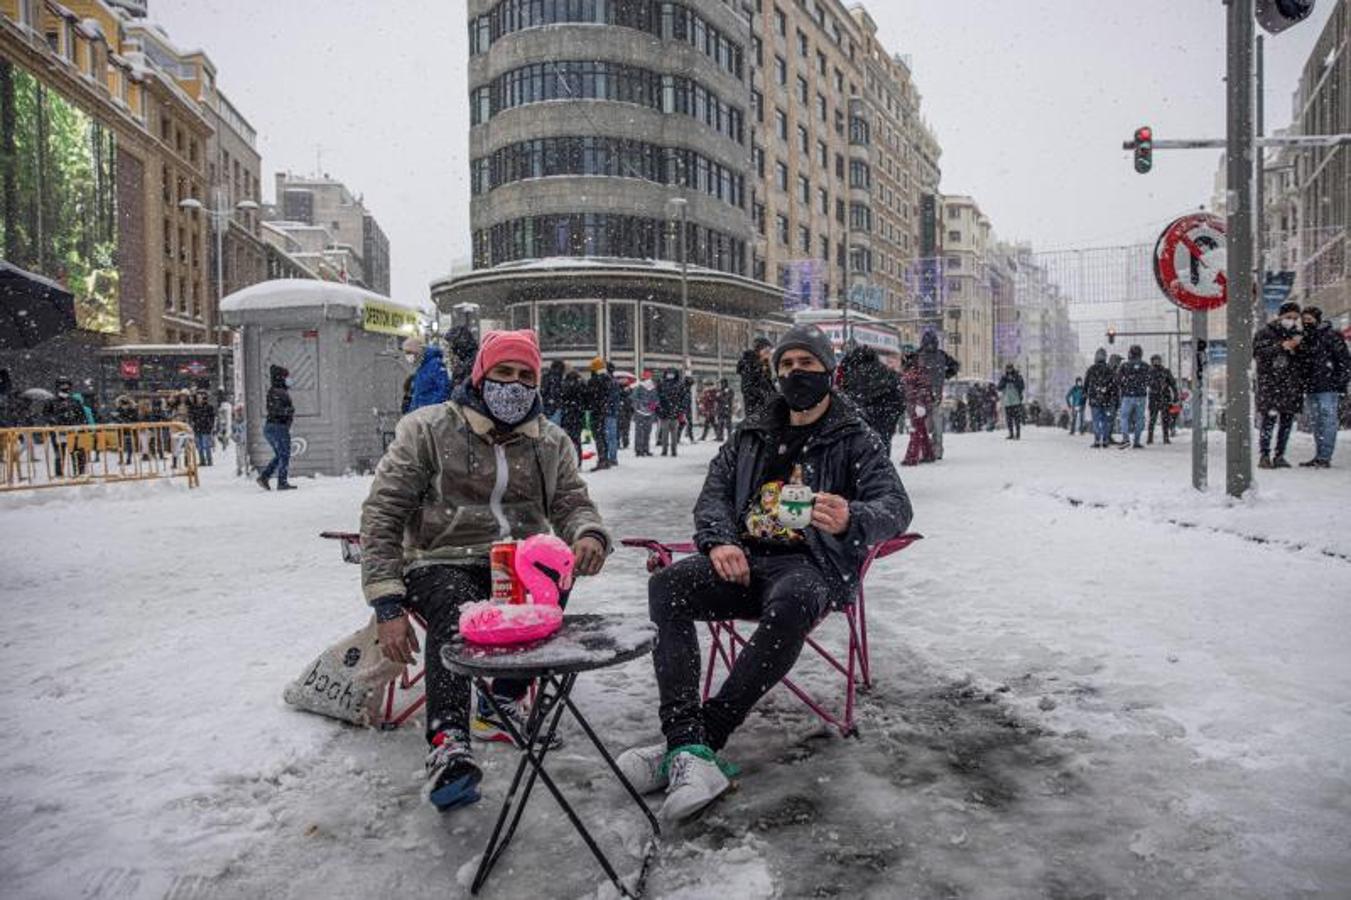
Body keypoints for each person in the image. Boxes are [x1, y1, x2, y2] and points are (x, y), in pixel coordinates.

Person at [616, 324, 912, 822]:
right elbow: (713, 493)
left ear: (829, 373)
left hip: (809, 565)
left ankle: (701, 740)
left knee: (794, 600)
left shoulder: (853, 436)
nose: (796, 374)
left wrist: (852, 517)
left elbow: (896, 506)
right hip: (745, 560)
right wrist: (720, 540)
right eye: (787, 366)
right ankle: (685, 742)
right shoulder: (752, 431)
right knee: (668, 585)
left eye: (807, 365)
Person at [360, 328, 611, 812]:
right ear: (480, 375)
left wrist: (588, 534)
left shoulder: (550, 441)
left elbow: (572, 502)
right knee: (461, 618)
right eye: (503, 373)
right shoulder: (428, 429)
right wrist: (387, 599)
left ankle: (502, 703)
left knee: (551, 570)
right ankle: (448, 742)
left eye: (525, 376)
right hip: (439, 560)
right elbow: (383, 512)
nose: (514, 386)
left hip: (516, 560)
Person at [1253, 302, 1306, 469]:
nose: (1291, 321)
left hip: (1291, 384)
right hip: (1271, 383)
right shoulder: (1265, 333)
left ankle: (1280, 455)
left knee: (1287, 422)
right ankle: (1264, 455)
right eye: (1288, 317)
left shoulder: (1298, 334)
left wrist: (1299, 347)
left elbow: (1304, 360)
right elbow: (1258, 353)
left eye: (1295, 318)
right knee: (1268, 420)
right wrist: (1281, 346)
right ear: (1280, 316)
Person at [1297, 306, 1350, 468]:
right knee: (1317, 422)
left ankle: (1325, 456)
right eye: (1304, 320)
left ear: (1317, 319)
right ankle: (1320, 455)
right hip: (1312, 386)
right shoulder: (1304, 338)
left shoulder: (1331, 336)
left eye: (1309, 319)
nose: (1307, 323)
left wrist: (1339, 383)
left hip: (1328, 387)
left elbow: (1344, 361)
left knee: (1327, 421)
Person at [838, 343, 905, 457]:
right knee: (882, 452)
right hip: (883, 421)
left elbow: (844, 398)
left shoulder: (850, 374)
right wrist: (890, 419)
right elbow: (899, 397)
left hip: (858, 424)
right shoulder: (885, 372)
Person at [915, 331, 958, 458]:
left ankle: (926, 450)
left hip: (923, 396)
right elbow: (955, 366)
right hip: (930, 395)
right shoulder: (940, 355)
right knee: (934, 424)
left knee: (925, 425)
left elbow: (907, 370)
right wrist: (946, 375)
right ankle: (933, 449)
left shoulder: (918, 355)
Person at [257, 364, 296, 490]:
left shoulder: (276, 391)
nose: (289, 379)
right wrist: (289, 410)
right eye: (287, 377)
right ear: (281, 378)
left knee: (280, 454)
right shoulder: (278, 392)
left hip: (273, 427)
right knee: (284, 454)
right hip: (278, 427)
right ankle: (281, 482)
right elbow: (276, 410)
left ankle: (265, 477)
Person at [43, 377, 88, 477]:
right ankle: (59, 474)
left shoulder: (75, 401)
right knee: (59, 454)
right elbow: (46, 415)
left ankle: (80, 473)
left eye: (67, 385)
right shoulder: (51, 401)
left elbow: (82, 416)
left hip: (74, 432)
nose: (65, 387)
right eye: (62, 385)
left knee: (77, 453)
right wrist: (55, 420)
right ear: (57, 387)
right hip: (59, 432)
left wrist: (80, 427)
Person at [899, 352, 936, 466]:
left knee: (915, 431)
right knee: (921, 430)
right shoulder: (916, 371)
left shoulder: (916, 371)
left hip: (917, 405)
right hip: (916, 405)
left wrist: (920, 404)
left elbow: (923, 388)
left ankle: (912, 457)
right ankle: (928, 454)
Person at [1114, 346, 1150, 449]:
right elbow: (1150, 380)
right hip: (1141, 396)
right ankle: (1137, 441)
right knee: (1139, 418)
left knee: (1124, 417)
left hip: (1128, 396)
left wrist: (1124, 386)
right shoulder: (1145, 366)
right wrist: (1142, 385)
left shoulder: (1125, 366)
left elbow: (1117, 380)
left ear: (1130, 354)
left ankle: (1126, 438)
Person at [404, 336, 451, 413]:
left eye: (409, 352)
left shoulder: (435, 364)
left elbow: (444, 390)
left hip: (429, 415)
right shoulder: (421, 367)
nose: (407, 356)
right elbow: (418, 394)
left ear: (418, 350)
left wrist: (429, 409)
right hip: (421, 414)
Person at [586, 358, 618, 471]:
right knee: (603, 436)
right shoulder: (608, 379)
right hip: (604, 412)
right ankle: (605, 459)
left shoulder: (594, 380)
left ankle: (602, 460)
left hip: (596, 412)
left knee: (598, 436)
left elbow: (590, 397)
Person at [1084, 349, 1117, 449]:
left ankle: (1097, 440)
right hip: (1107, 399)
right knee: (1106, 420)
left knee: (1096, 420)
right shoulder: (1109, 369)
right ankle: (1106, 440)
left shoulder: (1091, 369)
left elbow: (1086, 384)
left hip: (1095, 399)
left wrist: (1086, 394)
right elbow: (1114, 385)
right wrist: (1113, 397)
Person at [736, 337, 775, 420]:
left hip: (765, 408)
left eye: (770, 351)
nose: (769, 353)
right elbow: (747, 388)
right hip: (755, 407)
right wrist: (765, 394)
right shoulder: (749, 364)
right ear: (758, 350)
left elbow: (768, 384)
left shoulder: (764, 364)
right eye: (766, 350)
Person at [1146, 355, 1179, 445]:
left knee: (1165, 419)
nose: (1157, 362)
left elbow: (1173, 383)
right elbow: (1146, 383)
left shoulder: (1166, 371)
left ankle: (1166, 437)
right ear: (1152, 361)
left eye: (1158, 360)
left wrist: (1176, 395)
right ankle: (1150, 437)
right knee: (1152, 418)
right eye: (1155, 360)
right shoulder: (1149, 372)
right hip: (1154, 397)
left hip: (1165, 397)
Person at [559, 368, 587, 463]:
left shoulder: (565, 385)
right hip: (578, 417)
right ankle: (578, 462)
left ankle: (569, 462)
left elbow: (562, 398)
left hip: (568, 416)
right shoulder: (581, 385)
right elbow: (585, 400)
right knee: (577, 440)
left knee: (567, 441)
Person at [656, 368, 684, 457]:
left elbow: (682, 398)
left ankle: (672, 450)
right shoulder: (663, 384)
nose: (670, 375)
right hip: (667, 412)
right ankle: (667, 450)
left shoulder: (677, 385)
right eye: (669, 374)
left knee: (672, 433)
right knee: (667, 433)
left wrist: (680, 410)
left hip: (672, 413)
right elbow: (657, 398)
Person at [632, 370, 659, 456]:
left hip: (643, 413)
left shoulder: (647, 387)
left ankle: (642, 449)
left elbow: (634, 399)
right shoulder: (641, 387)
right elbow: (634, 398)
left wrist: (653, 404)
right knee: (644, 432)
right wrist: (651, 405)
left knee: (643, 432)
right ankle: (642, 449)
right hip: (645, 413)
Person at [187, 390, 217, 466]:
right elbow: (192, 417)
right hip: (197, 428)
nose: (199, 399)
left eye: (200, 397)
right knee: (199, 446)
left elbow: (212, 417)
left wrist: (210, 425)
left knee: (206, 445)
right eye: (197, 398)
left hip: (206, 428)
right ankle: (202, 460)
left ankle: (209, 460)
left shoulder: (208, 407)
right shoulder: (194, 408)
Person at [997, 363, 1025, 440]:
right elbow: (999, 387)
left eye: (1010, 368)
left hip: (1016, 401)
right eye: (1007, 368)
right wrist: (1005, 381)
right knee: (1009, 420)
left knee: (1017, 419)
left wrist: (1014, 380)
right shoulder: (1004, 377)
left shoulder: (1018, 376)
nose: (1009, 370)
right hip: (1007, 401)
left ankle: (1018, 434)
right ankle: (1011, 434)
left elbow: (1022, 386)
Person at [540, 359, 565, 426]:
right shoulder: (559, 378)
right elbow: (557, 392)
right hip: (556, 407)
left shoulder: (546, 376)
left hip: (545, 406)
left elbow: (542, 391)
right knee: (554, 430)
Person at [618, 376, 634, 450]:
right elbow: (619, 397)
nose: (624, 381)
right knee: (619, 428)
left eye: (625, 380)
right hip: (620, 411)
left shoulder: (630, 389)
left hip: (627, 411)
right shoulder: (618, 389)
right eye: (622, 380)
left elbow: (632, 399)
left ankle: (625, 443)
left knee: (626, 428)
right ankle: (618, 443)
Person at [681, 376, 696, 443]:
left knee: (683, 423)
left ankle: (690, 438)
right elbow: (685, 399)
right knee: (686, 423)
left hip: (685, 408)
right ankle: (691, 438)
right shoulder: (685, 389)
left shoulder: (686, 388)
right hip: (685, 408)